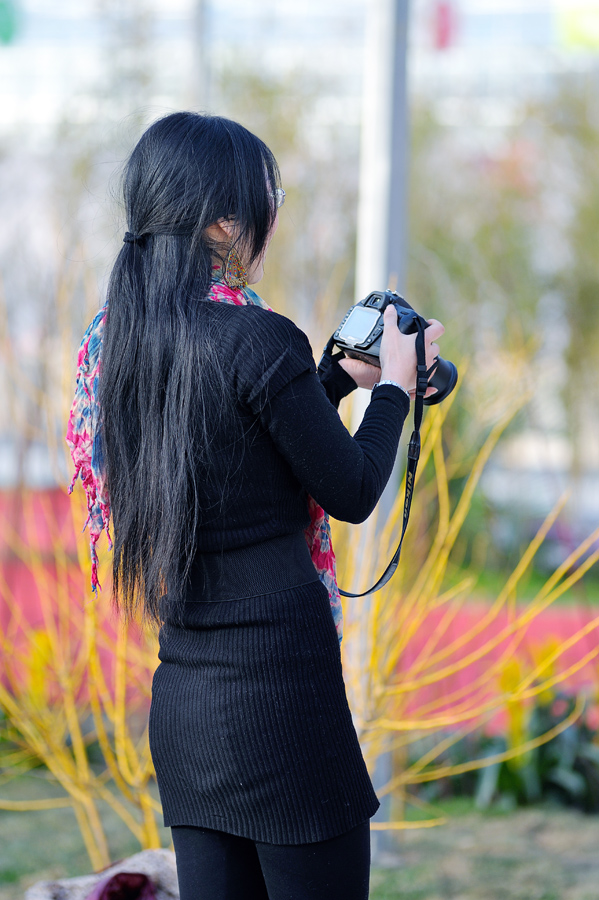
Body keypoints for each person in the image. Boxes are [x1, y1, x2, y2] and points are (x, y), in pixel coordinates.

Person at [66, 111, 444, 900]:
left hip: (187, 706)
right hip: (281, 696)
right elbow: (348, 488)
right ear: (225, 219)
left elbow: (235, 444)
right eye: (266, 196)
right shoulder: (255, 336)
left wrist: (333, 382)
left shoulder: (115, 341)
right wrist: (398, 387)